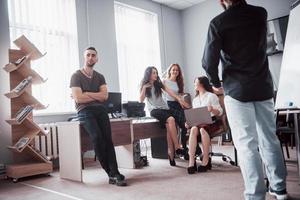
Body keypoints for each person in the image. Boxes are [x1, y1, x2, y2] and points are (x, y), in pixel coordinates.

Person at [202, 0, 287, 199]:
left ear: (222, 1)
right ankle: (279, 188)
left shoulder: (218, 23)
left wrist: (215, 83)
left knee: (247, 144)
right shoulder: (260, 14)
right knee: (270, 139)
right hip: (263, 87)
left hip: (237, 90)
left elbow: (208, 61)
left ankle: (255, 195)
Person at [70, 47, 127, 186]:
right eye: (88, 55)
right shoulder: (76, 76)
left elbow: (105, 96)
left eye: (93, 55)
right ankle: (110, 173)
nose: (90, 57)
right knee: (97, 137)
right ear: (84, 57)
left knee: (108, 140)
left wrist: (87, 93)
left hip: (101, 110)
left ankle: (115, 172)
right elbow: (78, 99)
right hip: (84, 111)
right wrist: (93, 96)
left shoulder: (100, 76)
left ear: (97, 58)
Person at [140, 66, 188, 166]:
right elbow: (140, 100)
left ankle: (171, 155)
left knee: (169, 130)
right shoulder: (145, 85)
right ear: (148, 74)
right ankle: (177, 147)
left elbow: (170, 92)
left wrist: (179, 99)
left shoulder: (159, 84)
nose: (156, 75)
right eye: (153, 73)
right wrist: (144, 88)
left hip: (164, 108)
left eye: (156, 73)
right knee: (171, 119)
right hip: (154, 110)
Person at [186, 76, 223, 174]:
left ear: (202, 84)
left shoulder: (212, 96)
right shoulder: (195, 100)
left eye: (196, 83)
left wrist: (212, 110)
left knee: (202, 130)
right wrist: (189, 122)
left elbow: (220, 112)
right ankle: (191, 161)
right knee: (193, 129)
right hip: (198, 123)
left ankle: (205, 160)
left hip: (211, 122)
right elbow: (195, 115)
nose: (194, 84)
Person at [163, 64, 190, 159]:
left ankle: (184, 148)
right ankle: (182, 150)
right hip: (169, 105)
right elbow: (170, 95)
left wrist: (183, 103)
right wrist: (180, 100)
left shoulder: (179, 82)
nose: (175, 72)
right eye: (173, 70)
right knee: (182, 125)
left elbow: (180, 95)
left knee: (185, 126)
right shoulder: (165, 81)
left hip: (178, 105)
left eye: (177, 70)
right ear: (170, 71)